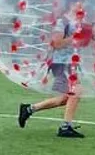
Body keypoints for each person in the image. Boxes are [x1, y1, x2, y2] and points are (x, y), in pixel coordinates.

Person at [17, 8, 86, 138]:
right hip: (62, 63)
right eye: (79, 2)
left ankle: (29, 109)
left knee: (66, 98)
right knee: (76, 91)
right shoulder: (62, 22)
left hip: (70, 62)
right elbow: (57, 43)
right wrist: (75, 37)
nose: (82, 7)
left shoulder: (76, 23)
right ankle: (66, 126)